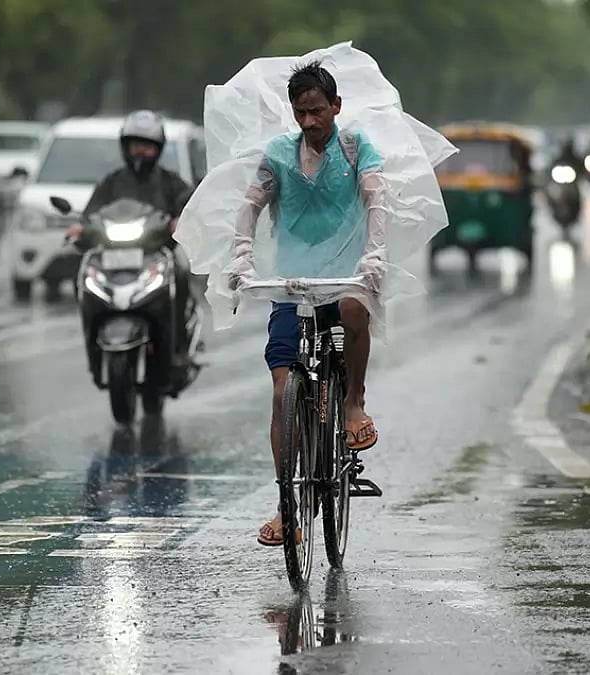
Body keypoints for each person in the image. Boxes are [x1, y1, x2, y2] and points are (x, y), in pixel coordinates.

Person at [227, 61, 387, 547]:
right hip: (291, 281)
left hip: (344, 274)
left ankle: (353, 401)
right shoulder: (276, 155)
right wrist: (241, 254)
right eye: (301, 112)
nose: (310, 121)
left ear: (336, 106)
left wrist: (374, 255)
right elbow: (251, 205)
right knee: (282, 392)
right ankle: (287, 506)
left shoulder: (357, 149)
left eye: (318, 110)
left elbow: (377, 201)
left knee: (357, 310)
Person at [67, 110, 197, 363]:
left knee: (180, 273)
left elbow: (188, 203)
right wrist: (81, 229)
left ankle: (178, 346)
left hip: (156, 252)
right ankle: (93, 342)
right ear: (126, 147)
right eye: (136, 145)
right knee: (83, 278)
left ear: (157, 149)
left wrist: (181, 220)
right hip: (112, 253)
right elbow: (91, 213)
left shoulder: (170, 181)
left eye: (147, 146)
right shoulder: (111, 182)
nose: (141, 152)